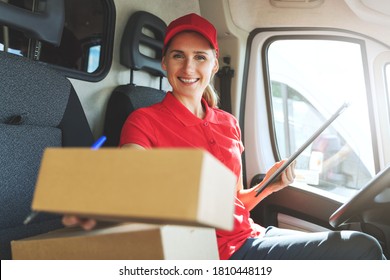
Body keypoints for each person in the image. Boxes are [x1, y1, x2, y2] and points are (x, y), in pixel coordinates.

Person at [63, 13, 385, 260]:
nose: (188, 67)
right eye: (178, 56)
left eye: (200, 57)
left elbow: (233, 202)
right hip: (216, 254)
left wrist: (267, 186)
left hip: (251, 235)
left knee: (356, 242)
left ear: (215, 64)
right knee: (360, 248)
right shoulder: (143, 120)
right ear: (164, 63)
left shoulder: (228, 123)